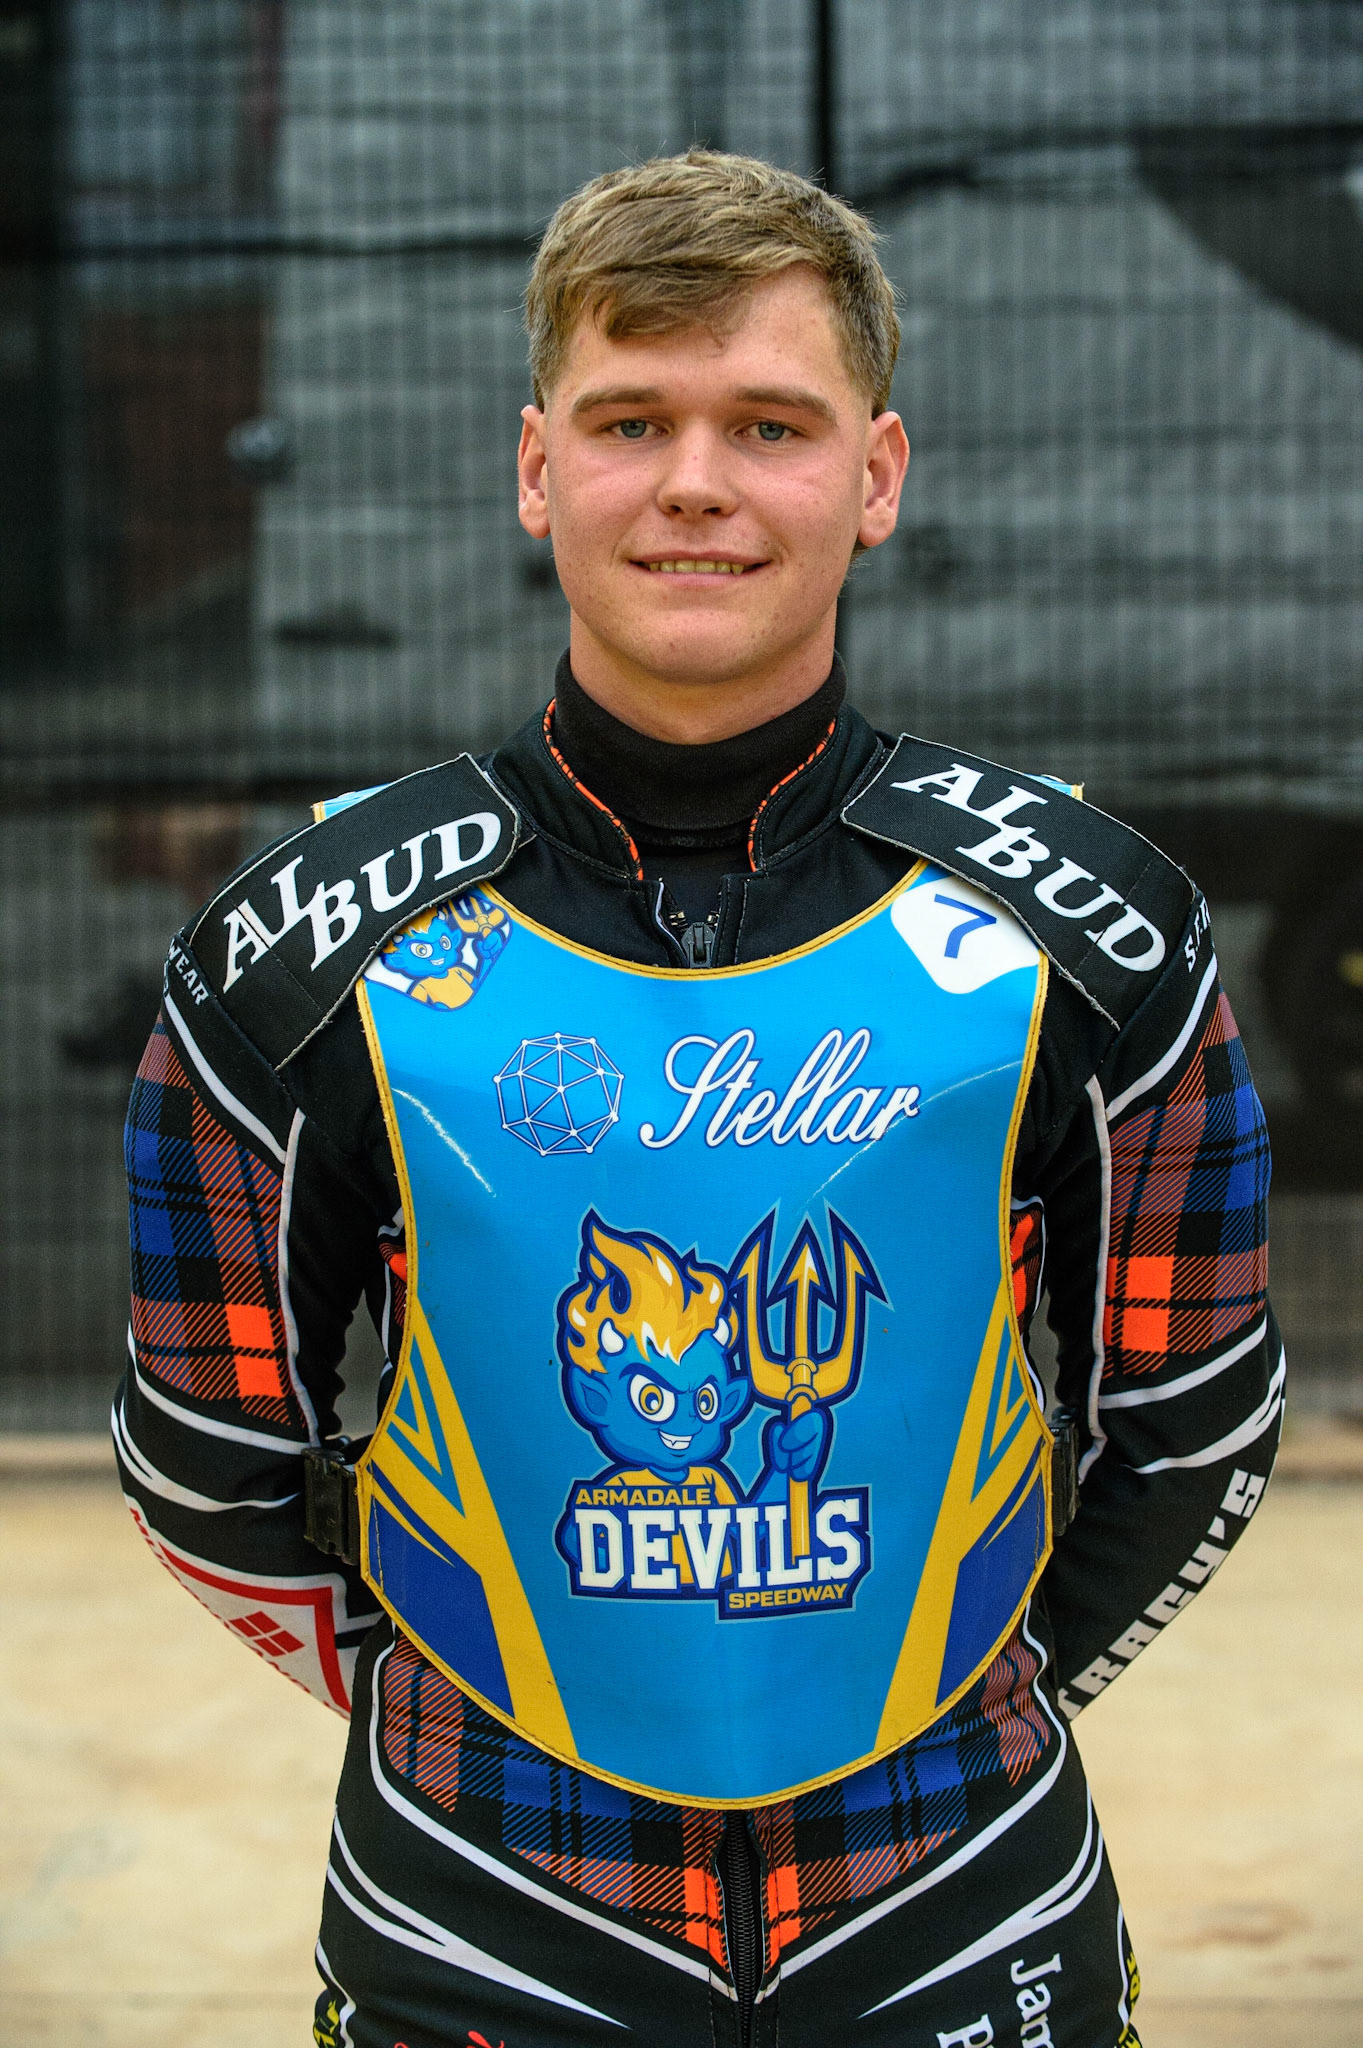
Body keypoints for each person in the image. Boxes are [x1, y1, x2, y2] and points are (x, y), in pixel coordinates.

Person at [115, 152, 1280, 2048]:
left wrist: (993, 1699)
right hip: (481, 1895)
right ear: (534, 466)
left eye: (773, 425)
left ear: (879, 476)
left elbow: (1198, 1422)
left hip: (963, 1890)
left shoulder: (1099, 926)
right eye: (629, 420)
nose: (696, 486)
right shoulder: (296, 945)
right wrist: (477, 1705)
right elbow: (204, 1461)